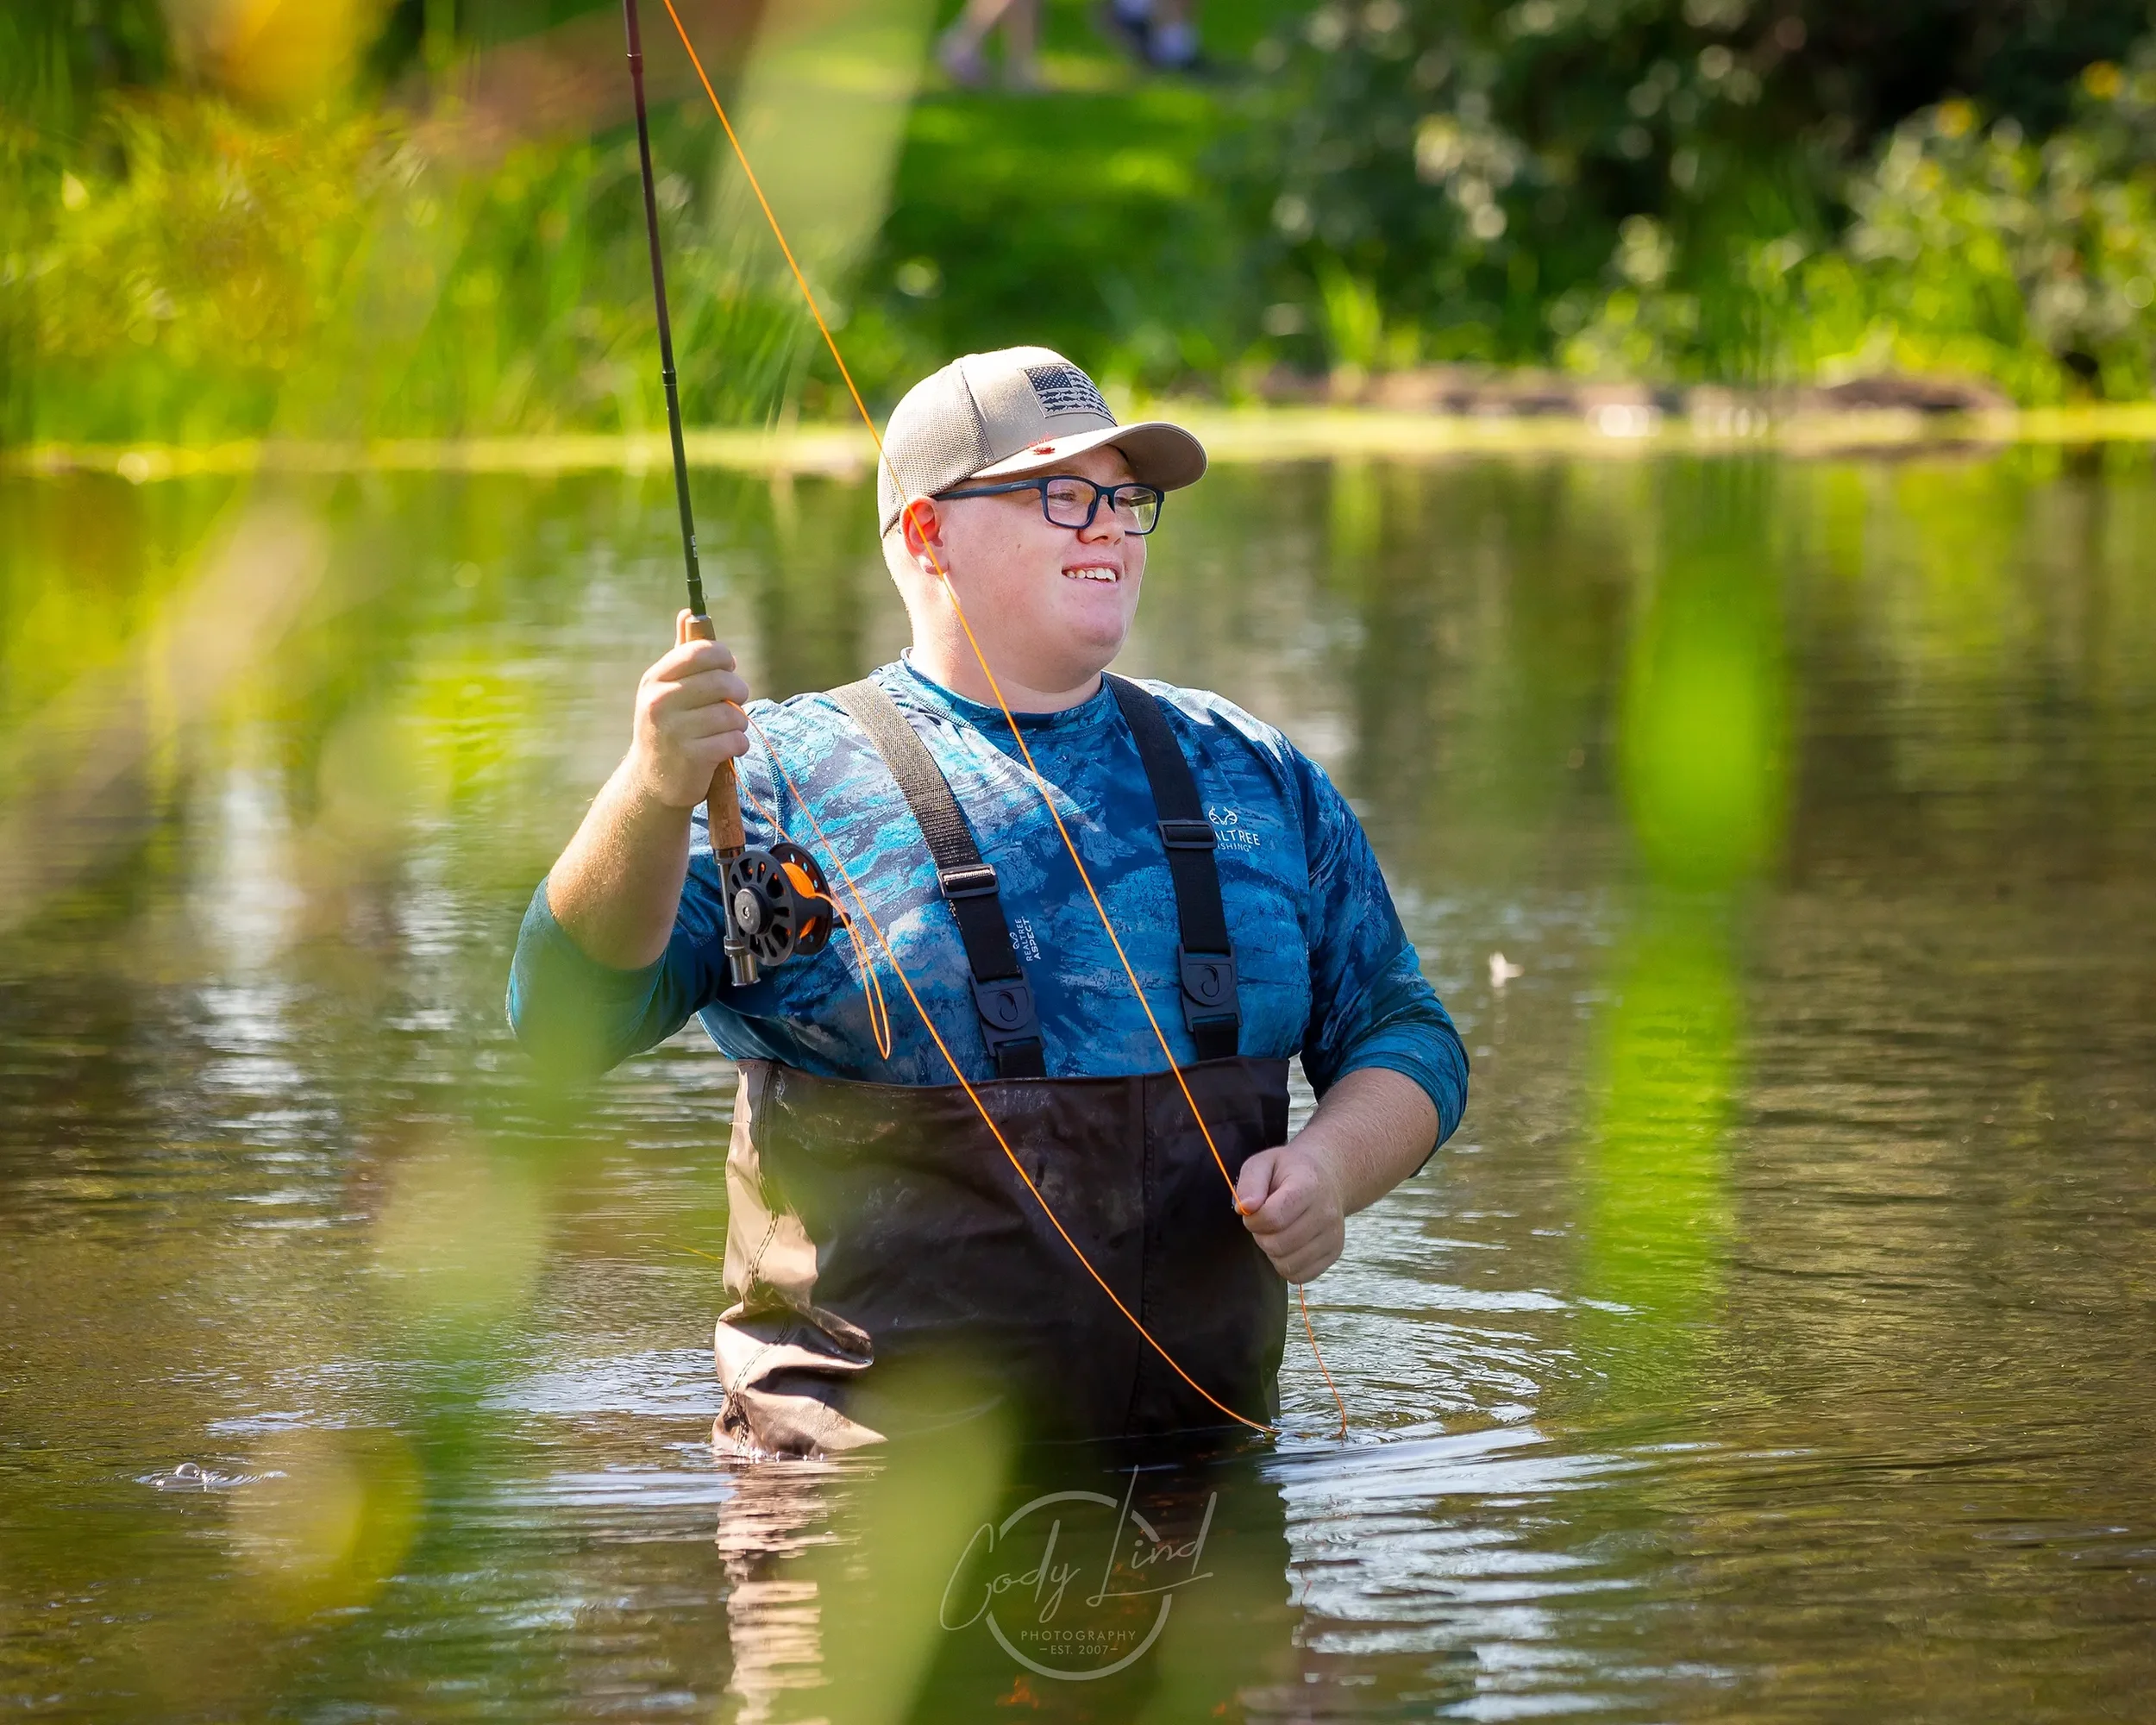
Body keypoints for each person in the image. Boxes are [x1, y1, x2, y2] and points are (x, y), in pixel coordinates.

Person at [508, 346, 1469, 1457]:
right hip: (850, 1529)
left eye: (1126, 500)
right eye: (1064, 495)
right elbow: (561, 1020)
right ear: (927, 535)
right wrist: (651, 788)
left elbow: (1410, 1035)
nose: (1108, 526)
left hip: (1203, 1495)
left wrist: (1330, 1170)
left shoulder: (1254, 769)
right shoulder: (767, 783)